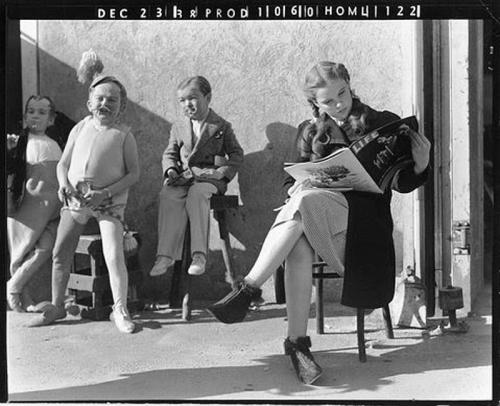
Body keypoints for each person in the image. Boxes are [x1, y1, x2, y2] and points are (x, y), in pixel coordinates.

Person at [207, 61, 431, 384]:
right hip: (318, 219)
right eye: (328, 101)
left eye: (343, 93)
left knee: (304, 205)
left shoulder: (382, 123)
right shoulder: (310, 131)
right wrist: (306, 183)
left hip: (362, 231)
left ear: (349, 85)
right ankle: (297, 344)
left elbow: (400, 182)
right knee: (299, 226)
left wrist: (420, 165)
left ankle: (249, 290)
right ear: (315, 104)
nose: (339, 103)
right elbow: (290, 184)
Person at [28, 53, 140, 333]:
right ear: (90, 103)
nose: (105, 104)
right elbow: (63, 164)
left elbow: (133, 174)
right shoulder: (80, 128)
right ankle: (57, 306)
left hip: (108, 204)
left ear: (121, 106)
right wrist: (64, 184)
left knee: (113, 254)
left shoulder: (123, 134)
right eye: (100, 99)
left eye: (112, 100)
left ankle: (120, 309)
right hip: (75, 201)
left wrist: (106, 193)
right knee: (59, 252)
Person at [149, 76, 243, 277]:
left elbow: (236, 154)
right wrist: (171, 170)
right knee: (168, 194)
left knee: (197, 195)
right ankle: (165, 255)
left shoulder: (221, 126)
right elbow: (170, 153)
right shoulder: (178, 126)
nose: (186, 104)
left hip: (210, 180)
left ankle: (199, 254)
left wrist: (222, 174)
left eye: (192, 98)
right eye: (181, 100)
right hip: (186, 177)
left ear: (207, 97)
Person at [7, 96, 63, 312]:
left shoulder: (54, 143)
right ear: (24, 116)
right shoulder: (19, 143)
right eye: (31, 111)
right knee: (21, 251)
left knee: (45, 247)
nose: (35, 116)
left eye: (41, 112)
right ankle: (24, 298)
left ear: (51, 119)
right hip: (26, 207)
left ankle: (13, 286)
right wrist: (11, 151)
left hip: (51, 208)